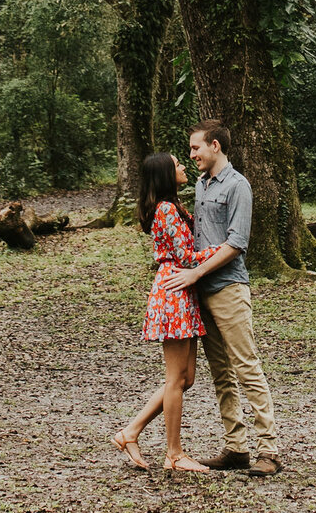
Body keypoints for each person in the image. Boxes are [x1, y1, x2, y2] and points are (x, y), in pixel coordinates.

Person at [161, 121, 282, 476]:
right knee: (221, 373)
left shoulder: (237, 185)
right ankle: (236, 448)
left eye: (196, 148)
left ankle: (269, 451)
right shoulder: (201, 184)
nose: (191, 154)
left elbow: (237, 242)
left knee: (247, 367)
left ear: (215, 146)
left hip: (229, 288)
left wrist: (196, 273)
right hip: (202, 293)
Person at [110, 151, 213, 472]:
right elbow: (186, 256)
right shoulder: (166, 209)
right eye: (177, 164)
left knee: (185, 378)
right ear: (166, 174)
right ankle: (174, 454)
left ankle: (131, 432)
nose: (183, 166)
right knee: (175, 379)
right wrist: (225, 248)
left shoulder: (173, 205)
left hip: (183, 289)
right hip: (174, 290)